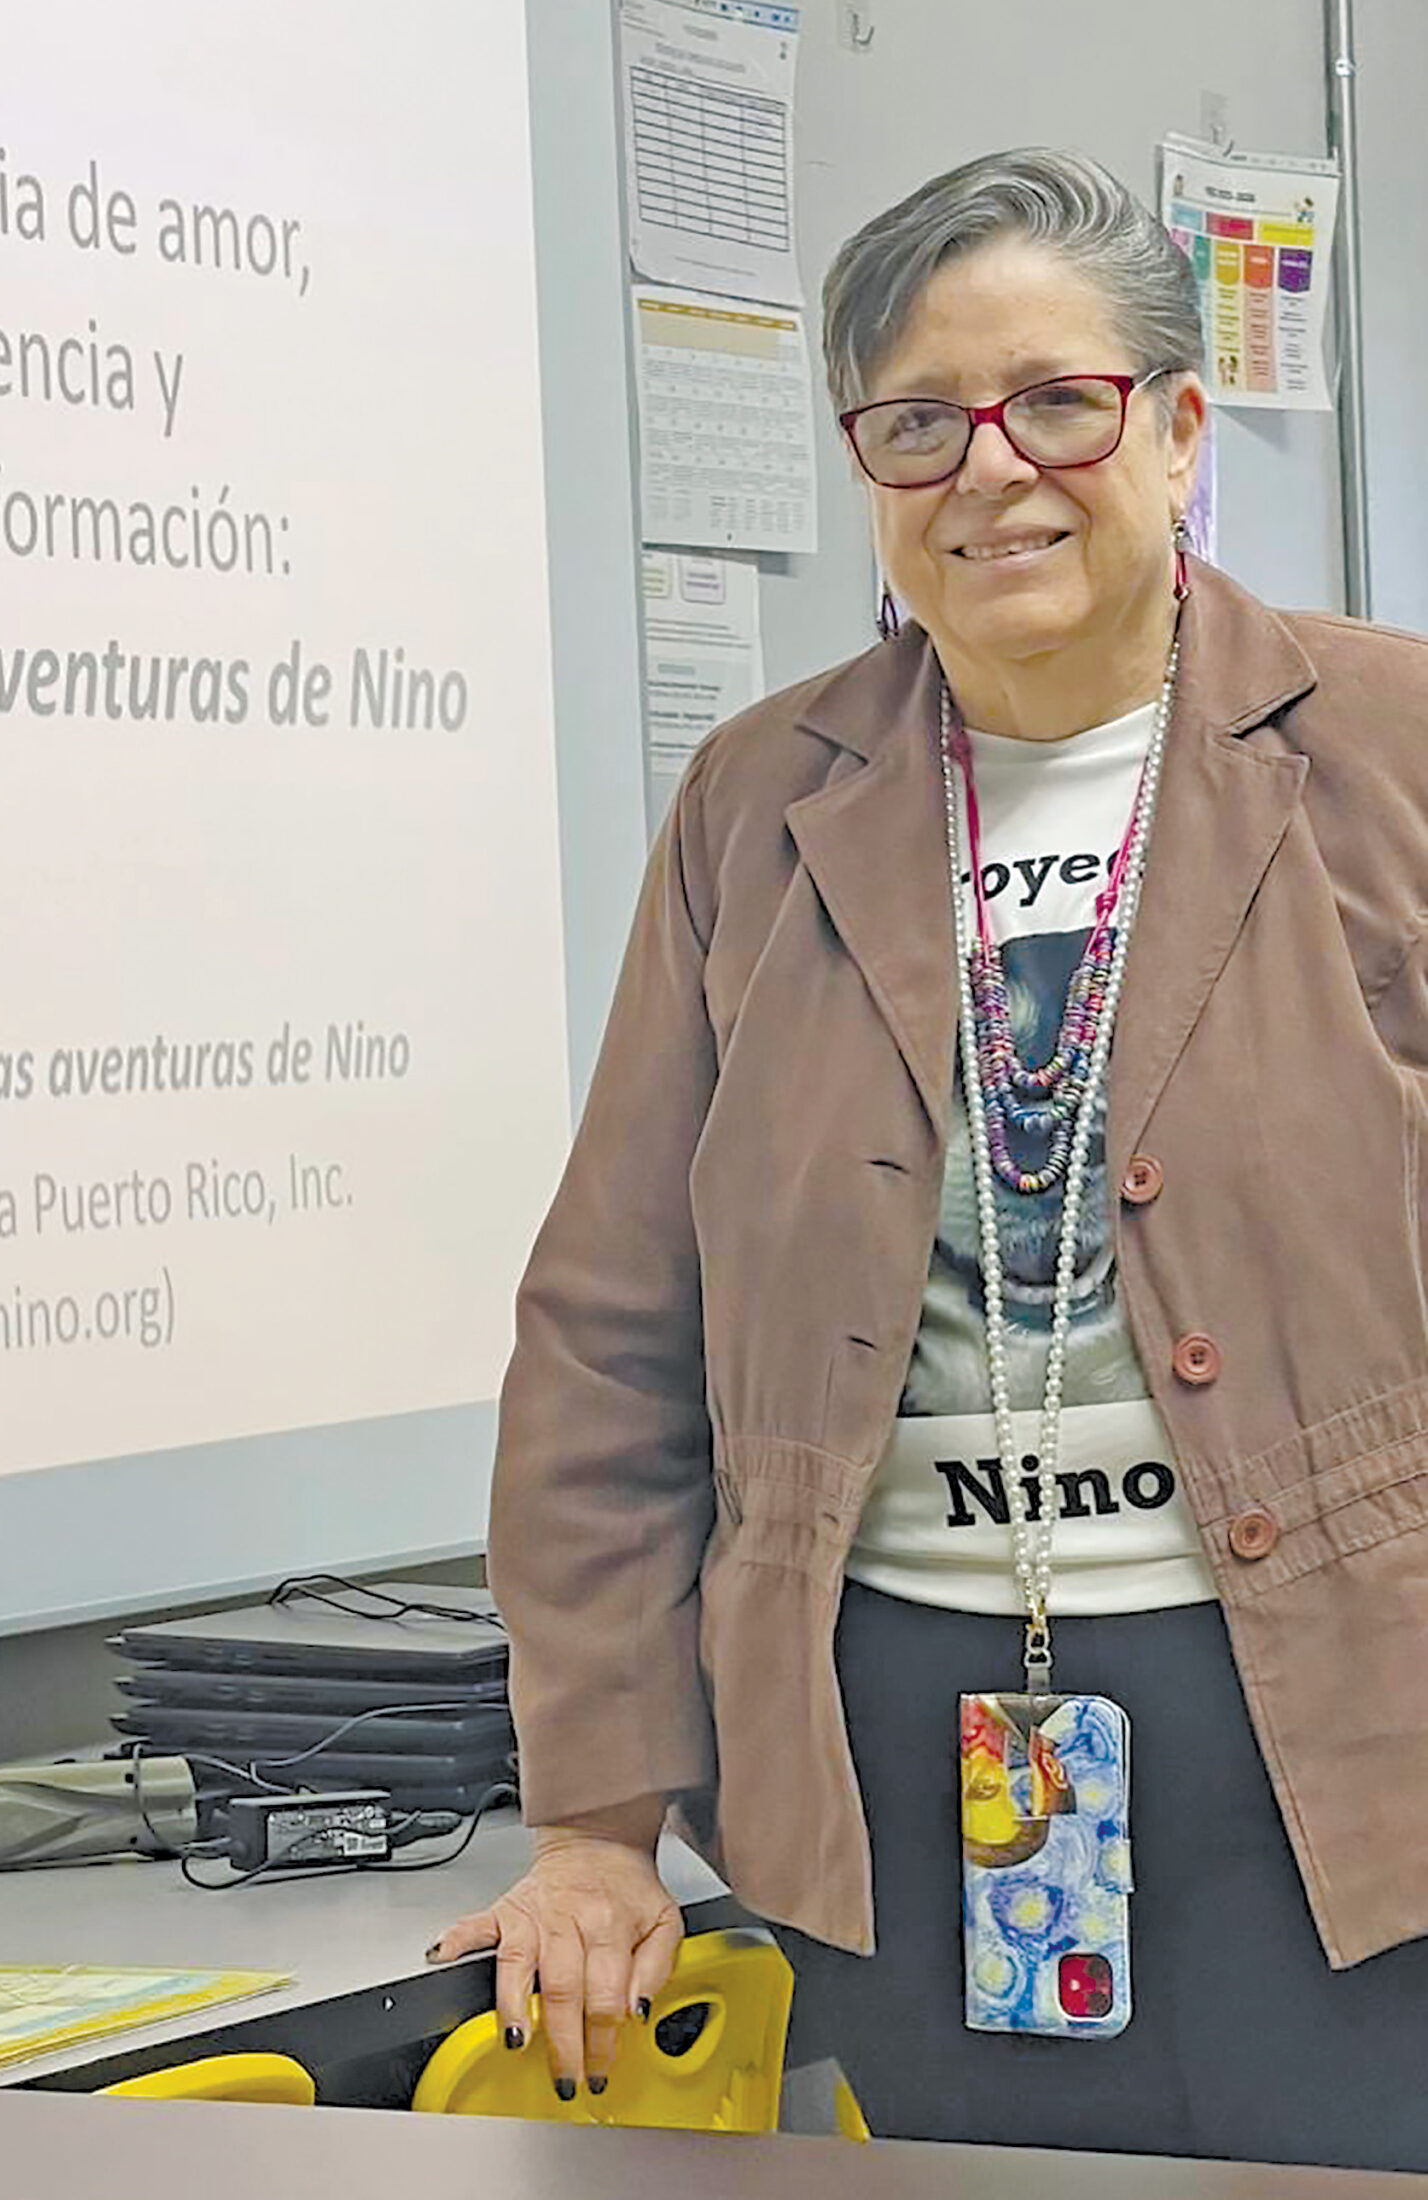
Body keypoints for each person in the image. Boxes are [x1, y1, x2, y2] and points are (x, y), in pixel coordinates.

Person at [431, 148, 1428, 2171]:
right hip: (900, 1759)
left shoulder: (1388, 748)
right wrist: (595, 1826)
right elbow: (616, 1327)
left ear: (1172, 422)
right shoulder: (762, 800)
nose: (993, 470)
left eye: (1055, 399)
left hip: (1352, 1738)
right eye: (916, 422)